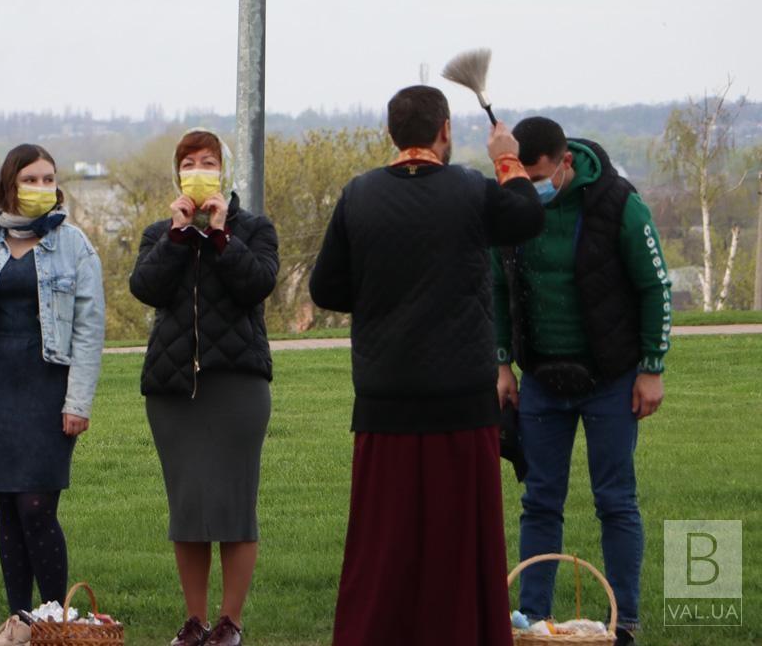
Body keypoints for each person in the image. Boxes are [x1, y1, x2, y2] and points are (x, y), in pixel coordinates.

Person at [309, 86, 545, 646]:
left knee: (383, 547)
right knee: (458, 544)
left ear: (393, 134)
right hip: (460, 400)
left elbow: (325, 287)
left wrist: (378, 294)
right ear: (444, 130)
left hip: (384, 398)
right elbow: (527, 217)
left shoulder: (359, 194)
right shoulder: (468, 189)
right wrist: (506, 156)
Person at [495, 117, 670, 646]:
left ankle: (626, 622)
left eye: (541, 176)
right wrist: (503, 364)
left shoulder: (620, 203)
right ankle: (532, 620)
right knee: (540, 500)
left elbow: (655, 287)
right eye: (522, 178)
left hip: (612, 377)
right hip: (543, 377)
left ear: (565, 161)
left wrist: (652, 368)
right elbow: (497, 287)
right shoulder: (513, 206)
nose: (533, 188)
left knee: (614, 498)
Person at [0, 144, 105, 646]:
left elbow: (88, 330)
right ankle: (19, 621)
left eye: (49, 179)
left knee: (38, 506)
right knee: (8, 509)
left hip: (47, 387)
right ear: (10, 183)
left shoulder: (74, 246)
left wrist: (77, 402)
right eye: (31, 179)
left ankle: (54, 621)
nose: (42, 188)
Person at [129, 128, 279, 646]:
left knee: (235, 506)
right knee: (188, 508)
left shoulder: (253, 229)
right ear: (177, 175)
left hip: (237, 387)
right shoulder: (159, 234)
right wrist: (178, 235)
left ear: (223, 171)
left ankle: (229, 623)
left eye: (208, 161)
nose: (198, 169)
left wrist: (219, 235)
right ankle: (194, 622)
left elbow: (257, 285)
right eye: (189, 162)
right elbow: (145, 288)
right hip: (173, 392)